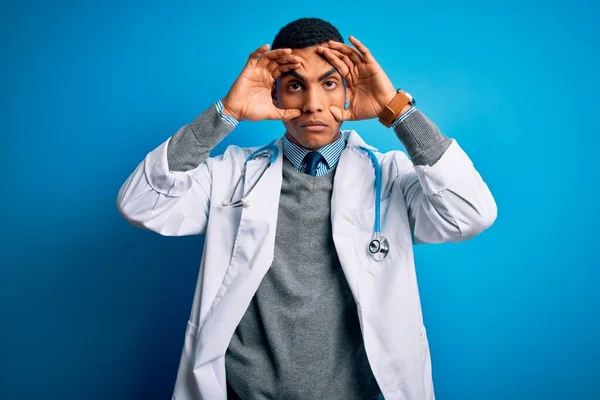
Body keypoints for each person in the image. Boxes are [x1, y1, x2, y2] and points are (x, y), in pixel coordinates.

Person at [117, 17, 497, 400]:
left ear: (348, 91)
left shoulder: (390, 176)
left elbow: (470, 213)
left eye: (330, 83)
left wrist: (397, 111)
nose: (313, 104)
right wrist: (225, 113)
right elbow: (141, 203)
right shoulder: (232, 174)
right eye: (296, 86)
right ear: (276, 95)